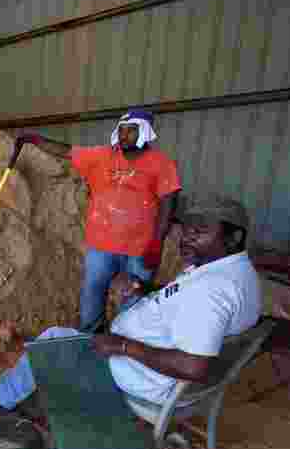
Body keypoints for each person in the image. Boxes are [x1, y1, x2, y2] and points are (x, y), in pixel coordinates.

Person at [0, 193, 260, 418]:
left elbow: (193, 366)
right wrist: (144, 289)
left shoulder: (211, 291)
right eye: (186, 230)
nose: (187, 237)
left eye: (200, 231)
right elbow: (190, 304)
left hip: (148, 378)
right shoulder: (234, 272)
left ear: (233, 237)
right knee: (103, 318)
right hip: (161, 357)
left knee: (53, 339)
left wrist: (122, 346)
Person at [15, 109, 181, 332]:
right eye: (121, 131)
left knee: (134, 301)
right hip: (101, 246)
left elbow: (168, 207)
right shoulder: (102, 156)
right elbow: (65, 151)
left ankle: (128, 341)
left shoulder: (162, 164)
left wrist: (156, 244)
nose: (124, 136)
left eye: (130, 131)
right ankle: (90, 338)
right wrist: (35, 140)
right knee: (92, 295)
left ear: (145, 132)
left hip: (140, 248)